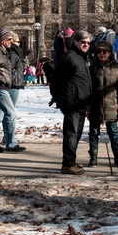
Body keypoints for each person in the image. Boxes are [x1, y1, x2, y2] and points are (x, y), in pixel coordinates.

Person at [50, 30, 92, 175]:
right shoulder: (69, 57)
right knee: (71, 133)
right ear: (75, 42)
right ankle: (67, 164)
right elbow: (56, 80)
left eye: (87, 43)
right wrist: (59, 98)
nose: (85, 45)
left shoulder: (83, 58)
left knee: (77, 133)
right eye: (83, 42)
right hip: (71, 103)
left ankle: (71, 160)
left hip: (81, 102)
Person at [88, 41, 118, 168]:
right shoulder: (92, 67)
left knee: (113, 133)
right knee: (93, 133)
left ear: (109, 53)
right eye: (99, 51)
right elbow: (87, 88)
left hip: (112, 105)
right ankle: (93, 157)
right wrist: (86, 105)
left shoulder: (116, 69)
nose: (101, 54)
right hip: (95, 105)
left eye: (104, 52)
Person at [0, 28, 26, 153]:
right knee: (10, 112)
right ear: (3, 40)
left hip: (1, 87)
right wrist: (4, 80)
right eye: (9, 40)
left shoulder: (3, 51)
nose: (11, 42)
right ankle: (11, 143)